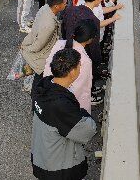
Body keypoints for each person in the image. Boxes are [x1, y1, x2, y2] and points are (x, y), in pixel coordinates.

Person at [31, 48, 97, 180]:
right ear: (72, 72)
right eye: (79, 65)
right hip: (59, 169)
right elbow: (87, 130)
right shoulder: (60, 105)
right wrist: (83, 113)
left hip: (42, 156)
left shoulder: (43, 86)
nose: (80, 68)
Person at [43, 19, 98, 113]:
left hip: (50, 92)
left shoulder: (59, 43)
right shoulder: (84, 61)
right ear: (90, 39)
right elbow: (81, 89)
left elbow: (48, 68)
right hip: (70, 106)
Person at [21, 0, 68, 93]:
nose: (66, 4)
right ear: (57, 6)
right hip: (41, 57)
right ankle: (37, 95)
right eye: (64, 3)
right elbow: (38, 46)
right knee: (40, 79)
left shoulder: (45, 8)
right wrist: (26, 49)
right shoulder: (49, 25)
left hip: (31, 42)